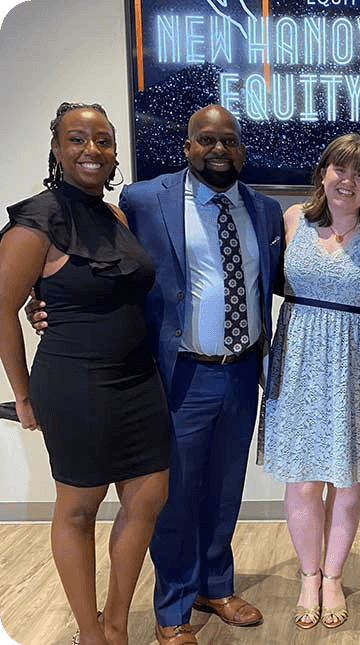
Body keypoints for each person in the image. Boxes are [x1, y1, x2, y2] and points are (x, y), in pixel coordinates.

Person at [26, 104, 284, 645]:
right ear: (187, 146)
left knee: (224, 490)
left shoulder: (262, 209)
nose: (219, 149)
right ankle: (173, 605)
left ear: (241, 149)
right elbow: (96, 261)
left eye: (230, 141)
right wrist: (42, 299)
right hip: (178, 372)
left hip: (241, 372)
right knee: (172, 496)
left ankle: (218, 584)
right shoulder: (143, 199)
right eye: (206, 140)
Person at [0, 102, 170, 645]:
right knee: (78, 508)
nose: (91, 150)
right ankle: (91, 634)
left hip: (137, 379)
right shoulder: (36, 221)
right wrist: (22, 396)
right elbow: (4, 307)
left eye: (102, 140)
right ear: (56, 147)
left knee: (147, 496)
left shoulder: (117, 216)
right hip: (76, 383)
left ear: (115, 150)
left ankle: (116, 623)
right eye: (77, 139)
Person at [257, 133, 360, 630]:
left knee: (348, 483)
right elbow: (253, 284)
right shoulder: (293, 220)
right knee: (302, 483)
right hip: (297, 362)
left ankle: (334, 576)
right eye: (341, 169)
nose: (348, 180)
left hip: (356, 367)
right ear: (323, 173)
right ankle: (308, 575)